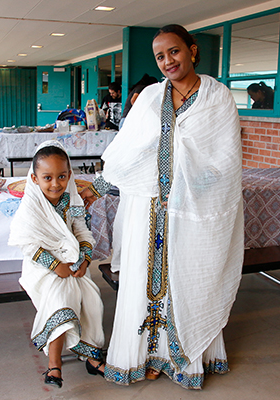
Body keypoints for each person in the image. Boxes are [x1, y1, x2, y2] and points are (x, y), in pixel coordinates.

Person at [80, 24, 244, 389]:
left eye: (174, 51)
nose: (168, 61)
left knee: (186, 279)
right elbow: (129, 153)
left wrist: (190, 191)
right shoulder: (151, 98)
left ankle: (184, 359)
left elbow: (225, 161)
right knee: (144, 282)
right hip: (146, 209)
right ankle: (145, 357)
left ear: (192, 50)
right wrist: (98, 187)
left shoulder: (218, 98)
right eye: (160, 56)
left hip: (193, 212)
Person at [8, 140, 105, 389]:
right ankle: (54, 365)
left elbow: (83, 232)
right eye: (47, 177)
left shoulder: (71, 202)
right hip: (41, 265)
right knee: (62, 296)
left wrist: (84, 259)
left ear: (69, 175)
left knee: (92, 299)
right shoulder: (31, 206)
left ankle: (92, 356)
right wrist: (55, 266)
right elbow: (27, 245)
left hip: (71, 261)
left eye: (61, 177)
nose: (55, 184)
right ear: (34, 178)